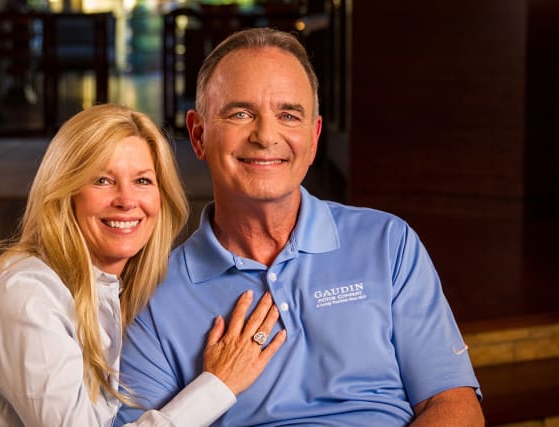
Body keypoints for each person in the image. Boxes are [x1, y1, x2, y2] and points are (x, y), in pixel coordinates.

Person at [116, 28, 485, 426]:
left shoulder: (388, 244)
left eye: (288, 115)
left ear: (313, 138)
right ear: (199, 135)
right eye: (240, 114)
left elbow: (455, 406)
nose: (265, 136)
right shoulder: (152, 294)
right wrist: (213, 386)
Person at [0, 103, 286, 426]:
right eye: (102, 180)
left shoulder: (112, 287)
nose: (127, 200)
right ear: (66, 192)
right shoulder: (27, 293)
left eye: (142, 180)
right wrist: (218, 384)